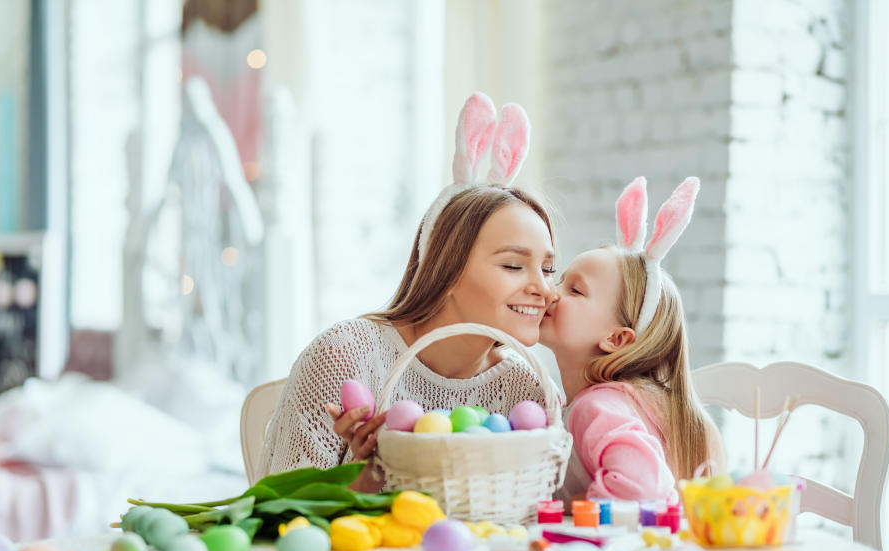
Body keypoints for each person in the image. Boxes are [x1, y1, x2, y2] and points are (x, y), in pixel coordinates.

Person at [256, 92, 557, 492]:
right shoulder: (347, 358)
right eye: (514, 266)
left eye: (550, 269)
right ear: (446, 271)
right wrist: (365, 476)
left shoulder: (525, 389)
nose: (543, 288)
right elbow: (277, 520)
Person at [540, 176, 727, 502]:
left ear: (616, 339)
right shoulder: (628, 402)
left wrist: (575, 514)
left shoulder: (595, 407)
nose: (551, 292)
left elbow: (643, 488)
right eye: (560, 280)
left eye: (575, 290)